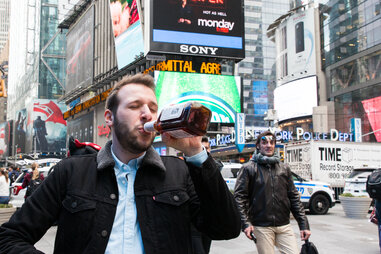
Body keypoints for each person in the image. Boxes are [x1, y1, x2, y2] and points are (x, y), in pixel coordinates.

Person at [0, 73, 241, 253]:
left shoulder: (180, 171)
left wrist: (196, 154)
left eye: (153, 108)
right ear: (110, 117)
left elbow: (226, 229)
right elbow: (9, 238)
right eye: (135, 106)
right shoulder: (70, 172)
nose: (147, 114)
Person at [234, 131, 311, 254]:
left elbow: (293, 197)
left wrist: (304, 225)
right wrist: (246, 223)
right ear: (258, 146)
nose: (268, 145)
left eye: (271, 142)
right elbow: (239, 197)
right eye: (264, 142)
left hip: (284, 225)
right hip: (261, 226)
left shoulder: (284, 168)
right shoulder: (248, 168)